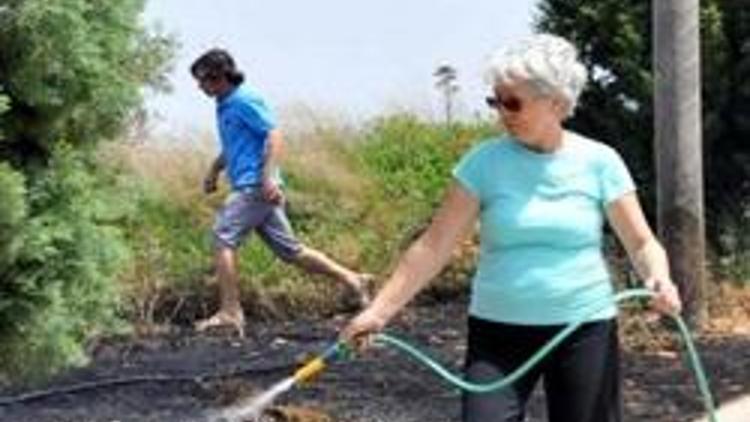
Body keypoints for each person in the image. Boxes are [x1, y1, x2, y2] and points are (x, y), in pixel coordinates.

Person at [341, 34, 682, 422]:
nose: (501, 112)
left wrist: (659, 278)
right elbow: (432, 247)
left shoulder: (599, 162)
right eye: (495, 101)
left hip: (584, 329)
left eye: (513, 102)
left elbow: (641, 243)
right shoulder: (482, 164)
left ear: (555, 102)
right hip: (498, 334)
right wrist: (379, 312)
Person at [190, 48, 371, 338]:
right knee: (292, 251)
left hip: (254, 187)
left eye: (202, 79)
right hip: (253, 187)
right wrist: (214, 169)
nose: (199, 86)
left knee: (222, 239)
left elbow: (274, 135)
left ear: (219, 76)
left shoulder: (244, 100)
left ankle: (230, 311)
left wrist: (267, 178)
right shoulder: (224, 104)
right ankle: (354, 280)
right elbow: (235, 144)